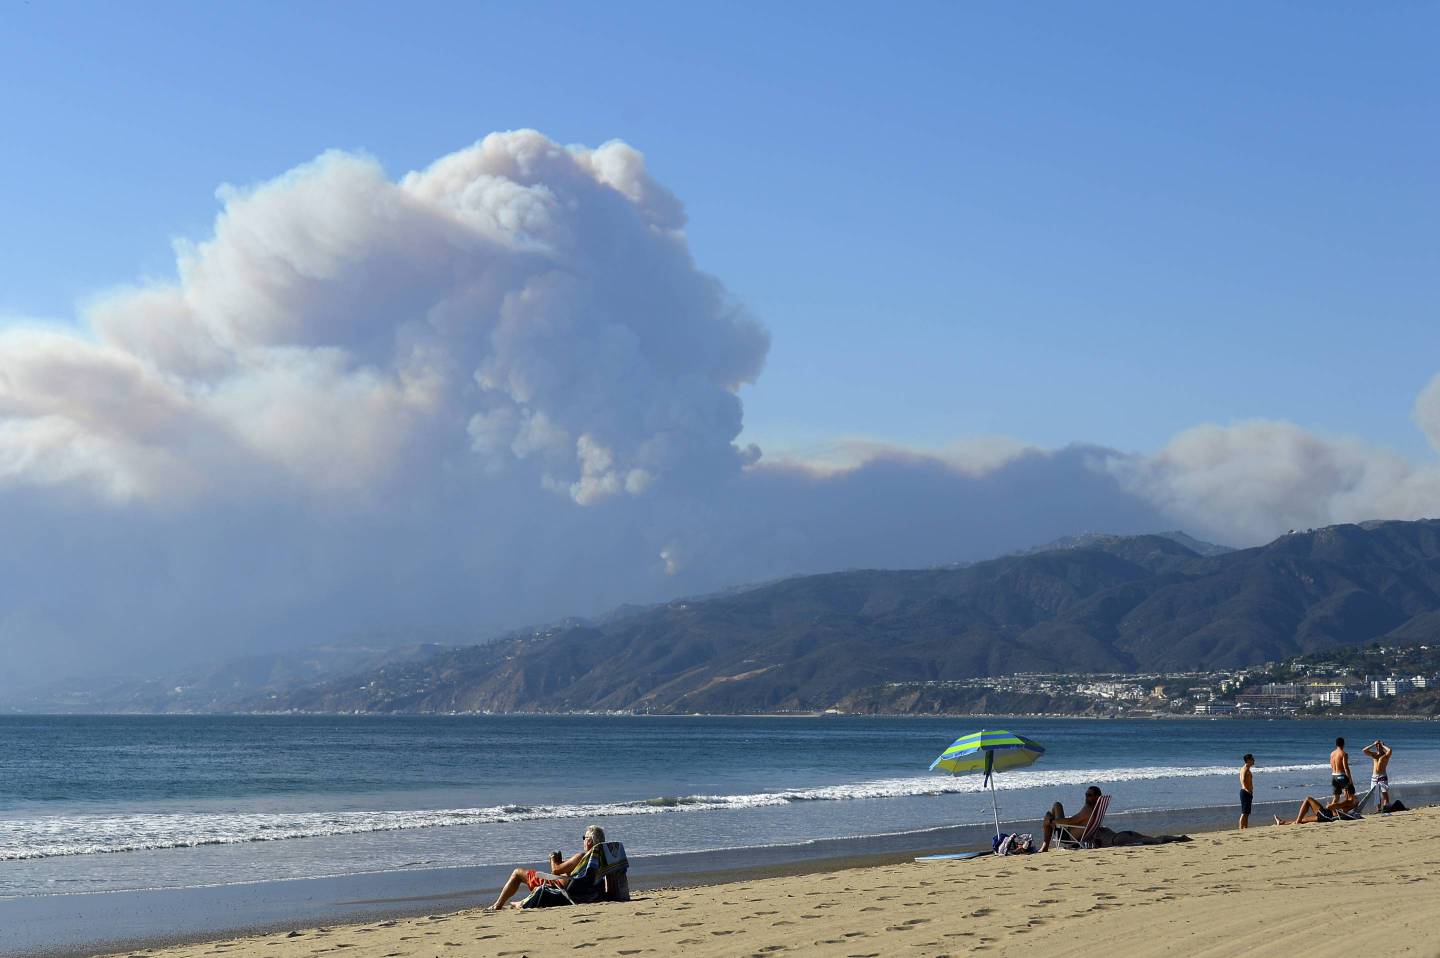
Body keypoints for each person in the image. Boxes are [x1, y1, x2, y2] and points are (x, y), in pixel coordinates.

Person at [489, 824, 607, 910]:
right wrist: (561, 862)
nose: (583, 841)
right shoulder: (599, 859)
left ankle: (498, 905)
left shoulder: (581, 856)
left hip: (558, 886)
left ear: (590, 841)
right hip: (582, 891)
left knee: (517, 873)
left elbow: (555, 870)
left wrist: (552, 857)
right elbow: (573, 869)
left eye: (584, 838)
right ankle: (517, 902)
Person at [1040, 785, 1101, 851]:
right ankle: (1045, 845)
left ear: (1097, 797)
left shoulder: (1088, 810)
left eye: (1089, 795)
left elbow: (1071, 821)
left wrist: (1052, 821)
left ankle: (1045, 846)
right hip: (1074, 832)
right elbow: (1076, 821)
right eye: (1086, 794)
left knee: (1048, 816)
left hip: (1067, 836)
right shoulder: (1097, 809)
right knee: (1057, 805)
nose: (1086, 797)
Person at [1274, 783, 1359, 826]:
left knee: (1308, 799)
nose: (1343, 793)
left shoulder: (1349, 801)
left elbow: (1333, 806)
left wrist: (1329, 805)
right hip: (1330, 815)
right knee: (1304, 819)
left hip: (1328, 816)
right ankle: (1282, 823)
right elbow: (1341, 807)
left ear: (1347, 791)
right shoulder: (1355, 800)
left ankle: (1295, 822)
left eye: (1344, 791)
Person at [1362, 739, 1393, 807]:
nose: (1378, 747)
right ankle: (1378, 809)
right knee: (1376, 795)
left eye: (1379, 746)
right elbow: (1364, 750)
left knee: (1384, 793)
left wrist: (1383, 745)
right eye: (1377, 746)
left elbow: (1390, 750)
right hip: (1374, 776)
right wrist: (1373, 744)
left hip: (1382, 775)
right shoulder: (1374, 755)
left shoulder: (1386, 755)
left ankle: (1386, 807)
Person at [1238, 754, 1254, 830]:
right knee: (1244, 812)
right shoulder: (1245, 769)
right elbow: (1243, 781)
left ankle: (1245, 828)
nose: (1253, 760)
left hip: (1247, 792)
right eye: (1252, 759)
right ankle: (1241, 828)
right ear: (1248, 760)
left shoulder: (1246, 769)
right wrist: (1247, 790)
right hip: (1245, 792)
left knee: (1247, 813)